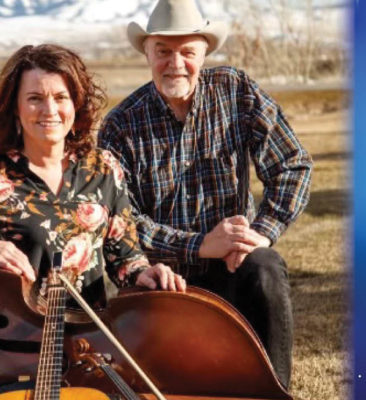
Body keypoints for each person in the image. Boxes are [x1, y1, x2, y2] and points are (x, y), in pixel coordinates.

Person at [97, 0, 312, 388]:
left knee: (265, 267)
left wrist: (261, 233)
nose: (175, 63)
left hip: (234, 264)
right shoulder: (120, 125)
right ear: (147, 53)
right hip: (164, 277)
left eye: (187, 52)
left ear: (204, 53)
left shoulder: (236, 91)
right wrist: (199, 245)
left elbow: (292, 165)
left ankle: (275, 392)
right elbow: (121, 222)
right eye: (163, 51)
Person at [0, 44, 186, 315]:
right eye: (35, 99)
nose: (50, 110)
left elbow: (125, 259)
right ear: (15, 108)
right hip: (15, 339)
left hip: (91, 336)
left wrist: (144, 273)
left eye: (60, 97)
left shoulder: (104, 168)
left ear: (76, 104)